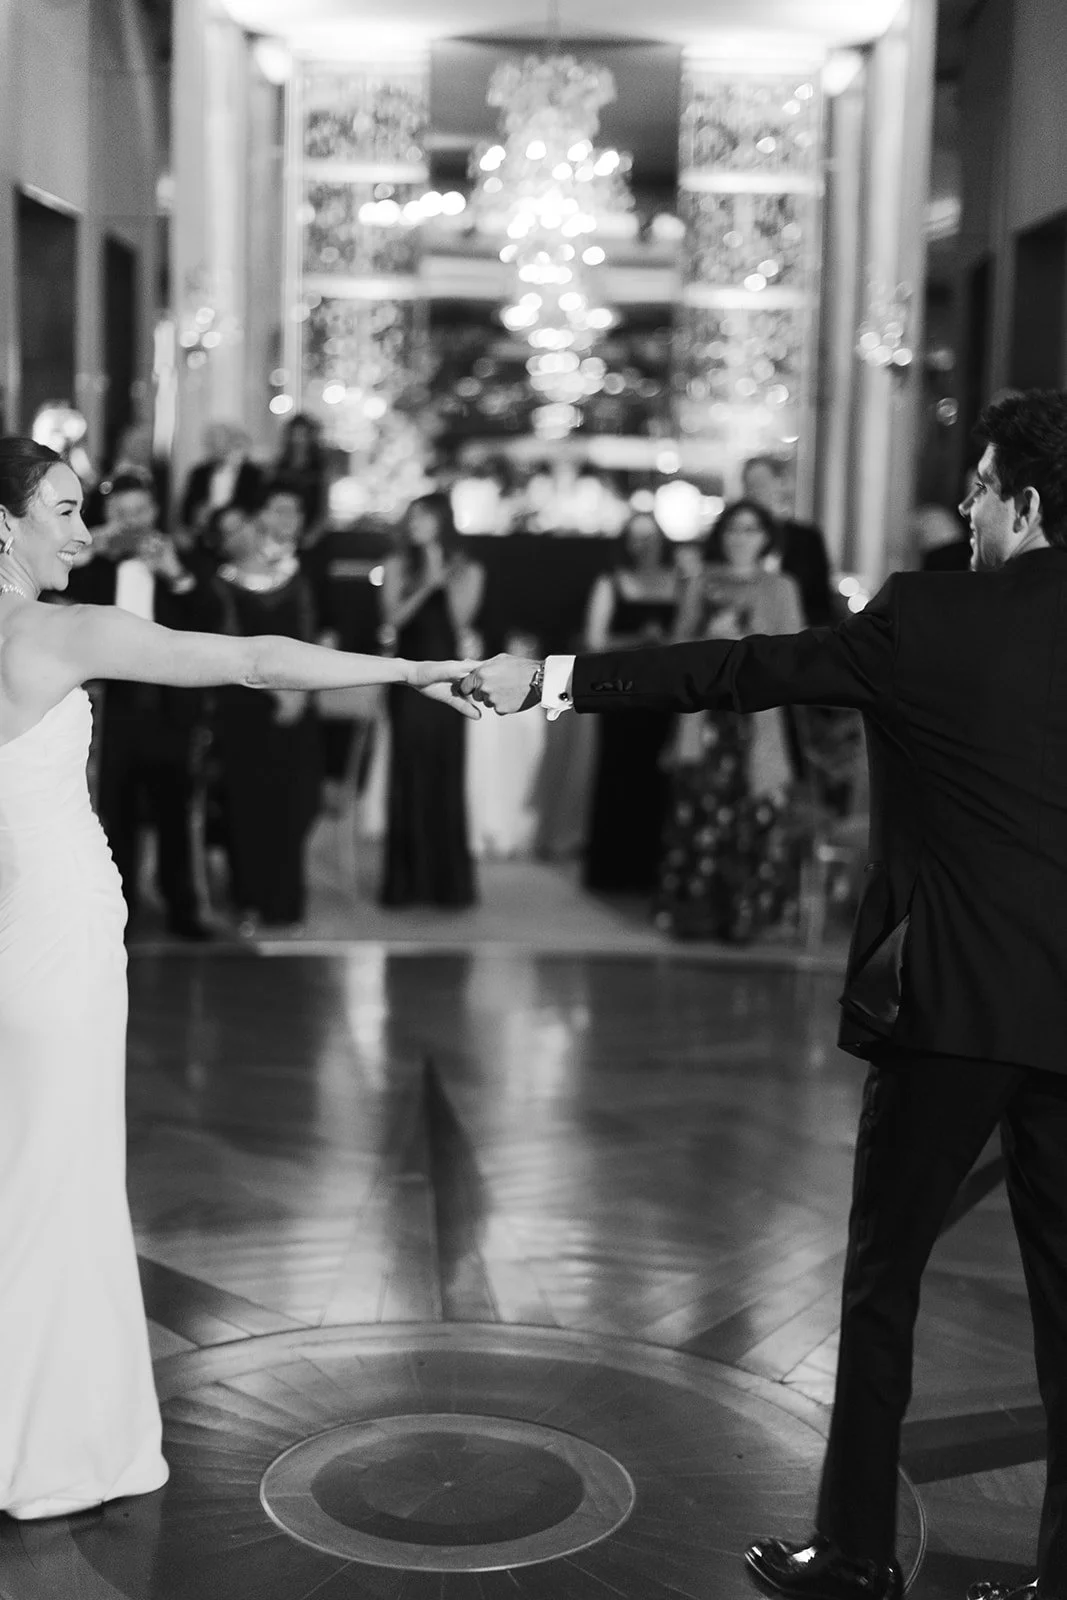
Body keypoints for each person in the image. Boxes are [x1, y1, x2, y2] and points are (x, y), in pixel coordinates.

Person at [461, 388, 1067, 1600]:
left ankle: (851, 1558)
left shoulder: (926, 615)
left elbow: (738, 671)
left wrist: (554, 682)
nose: (964, 503)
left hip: (945, 1004)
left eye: (980, 485)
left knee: (882, 1282)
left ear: (1027, 501)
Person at [0, 436, 477, 1521]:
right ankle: (49, 1448)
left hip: (7, 939)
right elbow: (255, 660)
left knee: (15, 1178)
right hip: (58, 947)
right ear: (4, 525)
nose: (86, 532)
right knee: (55, 1188)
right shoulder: (62, 632)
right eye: (65, 513)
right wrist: (411, 672)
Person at [63, 472, 222, 940]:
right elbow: (65, 608)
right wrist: (92, 551)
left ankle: (182, 909)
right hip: (113, 705)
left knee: (174, 810)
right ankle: (123, 909)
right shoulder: (94, 566)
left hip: (171, 704)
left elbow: (212, 620)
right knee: (116, 812)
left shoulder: (184, 557)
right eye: (122, 514)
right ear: (110, 517)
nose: (132, 522)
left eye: (140, 512)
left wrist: (175, 574)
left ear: (155, 512)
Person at [656, 499, 804, 941]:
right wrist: (708, 637)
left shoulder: (781, 587)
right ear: (721, 535)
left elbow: (797, 653)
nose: (741, 538)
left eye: (751, 529)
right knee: (700, 809)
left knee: (754, 811)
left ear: (766, 537)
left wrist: (747, 645)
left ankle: (746, 915)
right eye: (734, 529)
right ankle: (695, 914)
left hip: (755, 718)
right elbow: (675, 648)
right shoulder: (701, 582)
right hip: (706, 717)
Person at [208, 502, 322, 934]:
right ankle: (250, 900)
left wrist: (300, 695)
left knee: (293, 805)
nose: (239, 533)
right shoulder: (220, 586)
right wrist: (278, 696)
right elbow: (231, 644)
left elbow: (309, 638)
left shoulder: (295, 579)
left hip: (298, 709)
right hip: (247, 712)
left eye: (243, 523)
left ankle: (287, 901)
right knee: (249, 807)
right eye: (227, 530)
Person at [378, 491, 484, 908]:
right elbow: (391, 620)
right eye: (413, 517)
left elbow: (462, 622)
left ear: (442, 520)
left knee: (445, 774)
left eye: (424, 517)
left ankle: (446, 884)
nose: (415, 523)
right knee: (406, 775)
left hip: (451, 681)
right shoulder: (396, 565)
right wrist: (427, 585)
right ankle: (404, 883)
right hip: (407, 681)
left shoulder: (469, 568)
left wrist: (446, 575)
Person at [582, 511, 679, 894]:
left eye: (650, 536)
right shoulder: (610, 582)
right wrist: (640, 639)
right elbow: (594, 642)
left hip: (665, 697)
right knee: (617, 776)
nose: (644, 545)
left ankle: (652, 870)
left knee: (658, 781)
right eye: (636, 537)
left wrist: (664, 640)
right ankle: (611, 872)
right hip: (621, 695)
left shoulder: (680, 582)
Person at [742, 454, 837, 627]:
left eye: (761, 483)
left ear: (781, 483)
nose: (755, 491)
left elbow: (820, 599)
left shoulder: (807, 538)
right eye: (750, 485)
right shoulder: (735, 536)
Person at [178, 421, 264, 540]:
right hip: (203, 532)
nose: (214, 446)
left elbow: (255, 506)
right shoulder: (198, 473)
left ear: (230, 442)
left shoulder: (251, 473)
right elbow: (187, 507)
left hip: (238, 531)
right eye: (210, 442)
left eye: (218, 441)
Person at [272, 411, 329, 537]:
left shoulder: (318, 468)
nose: (298, 439)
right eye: (294, 434)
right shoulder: (280, 465)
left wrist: (313, 534)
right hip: (282, 533)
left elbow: (323, 507)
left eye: (302, 435)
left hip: (309, 531)